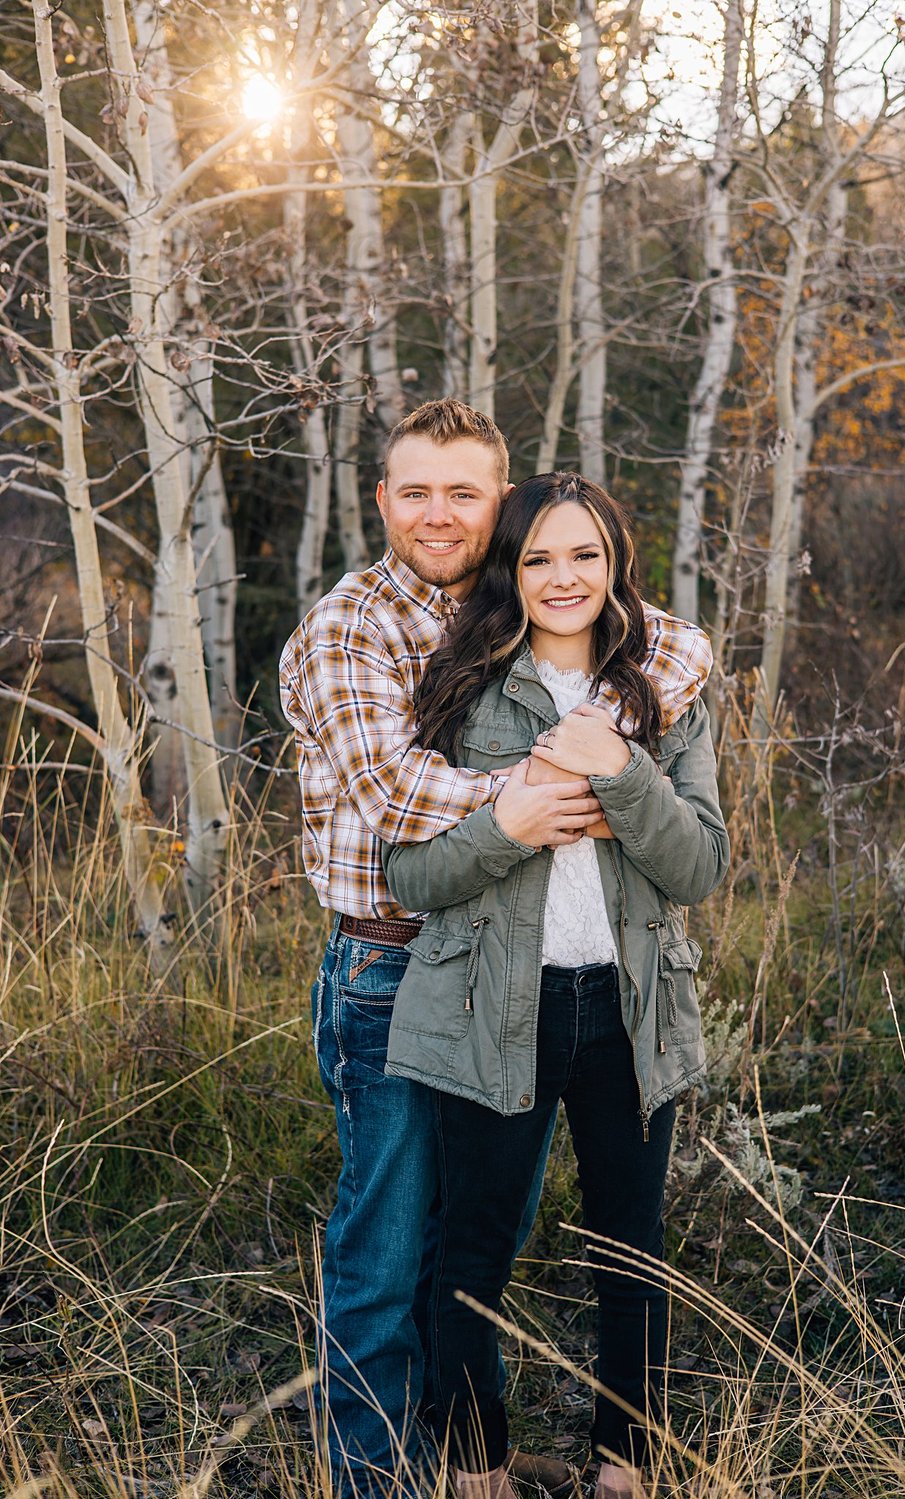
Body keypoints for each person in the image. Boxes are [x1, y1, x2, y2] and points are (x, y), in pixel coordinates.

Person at [280, 402, 705, 1498]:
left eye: (464, 492)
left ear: (498, 504)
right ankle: (381, 1477)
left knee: (484, 1228)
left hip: (522, 977)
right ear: (380, 500)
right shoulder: (353, 626)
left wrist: (641, 742)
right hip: (389, 966)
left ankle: (465, 1447)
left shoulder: (506, 602)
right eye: (413, 490)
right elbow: (392, 801)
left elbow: (661, 640)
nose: (438, 513)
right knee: (388, 1247)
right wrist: (552, 794)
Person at [382, 473, 730, 1499]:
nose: (563, 576)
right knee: (470, 1247)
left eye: (583, 554)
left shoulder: (665, 686)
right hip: (494, 1003)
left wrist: (619, 766)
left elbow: (701, 865)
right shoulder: (461, 686)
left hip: (629, 1007)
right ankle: (475, 1465)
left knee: (631, 1247)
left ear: (616, 562)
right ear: (508, 570)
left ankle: (627, 1465)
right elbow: (410, 875)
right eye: (538, 557)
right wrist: (507, 822)